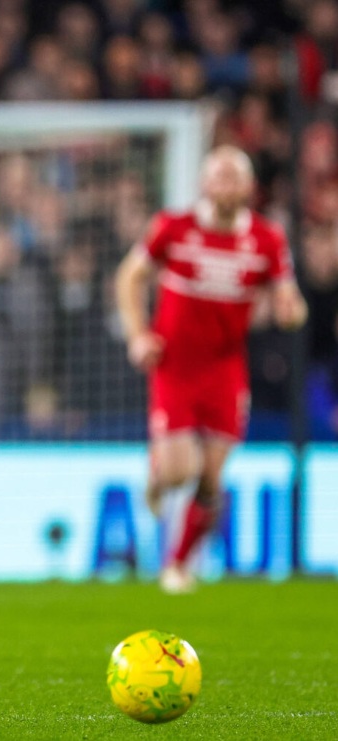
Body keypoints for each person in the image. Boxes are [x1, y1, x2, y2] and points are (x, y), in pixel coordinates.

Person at [114, 145, 307, 594]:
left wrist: (291, 311)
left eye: (233, 176)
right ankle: (159, 473)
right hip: (175, 364)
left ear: (248, 187)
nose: (225, 184)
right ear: (204, 184)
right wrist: (138, 334)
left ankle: (178, 565)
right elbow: (129, 277)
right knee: (180, 471)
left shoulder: (267, 239)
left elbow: (290, 301)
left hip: (225, 368)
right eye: (218, 175)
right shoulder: (174, 227)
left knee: (211, 477)